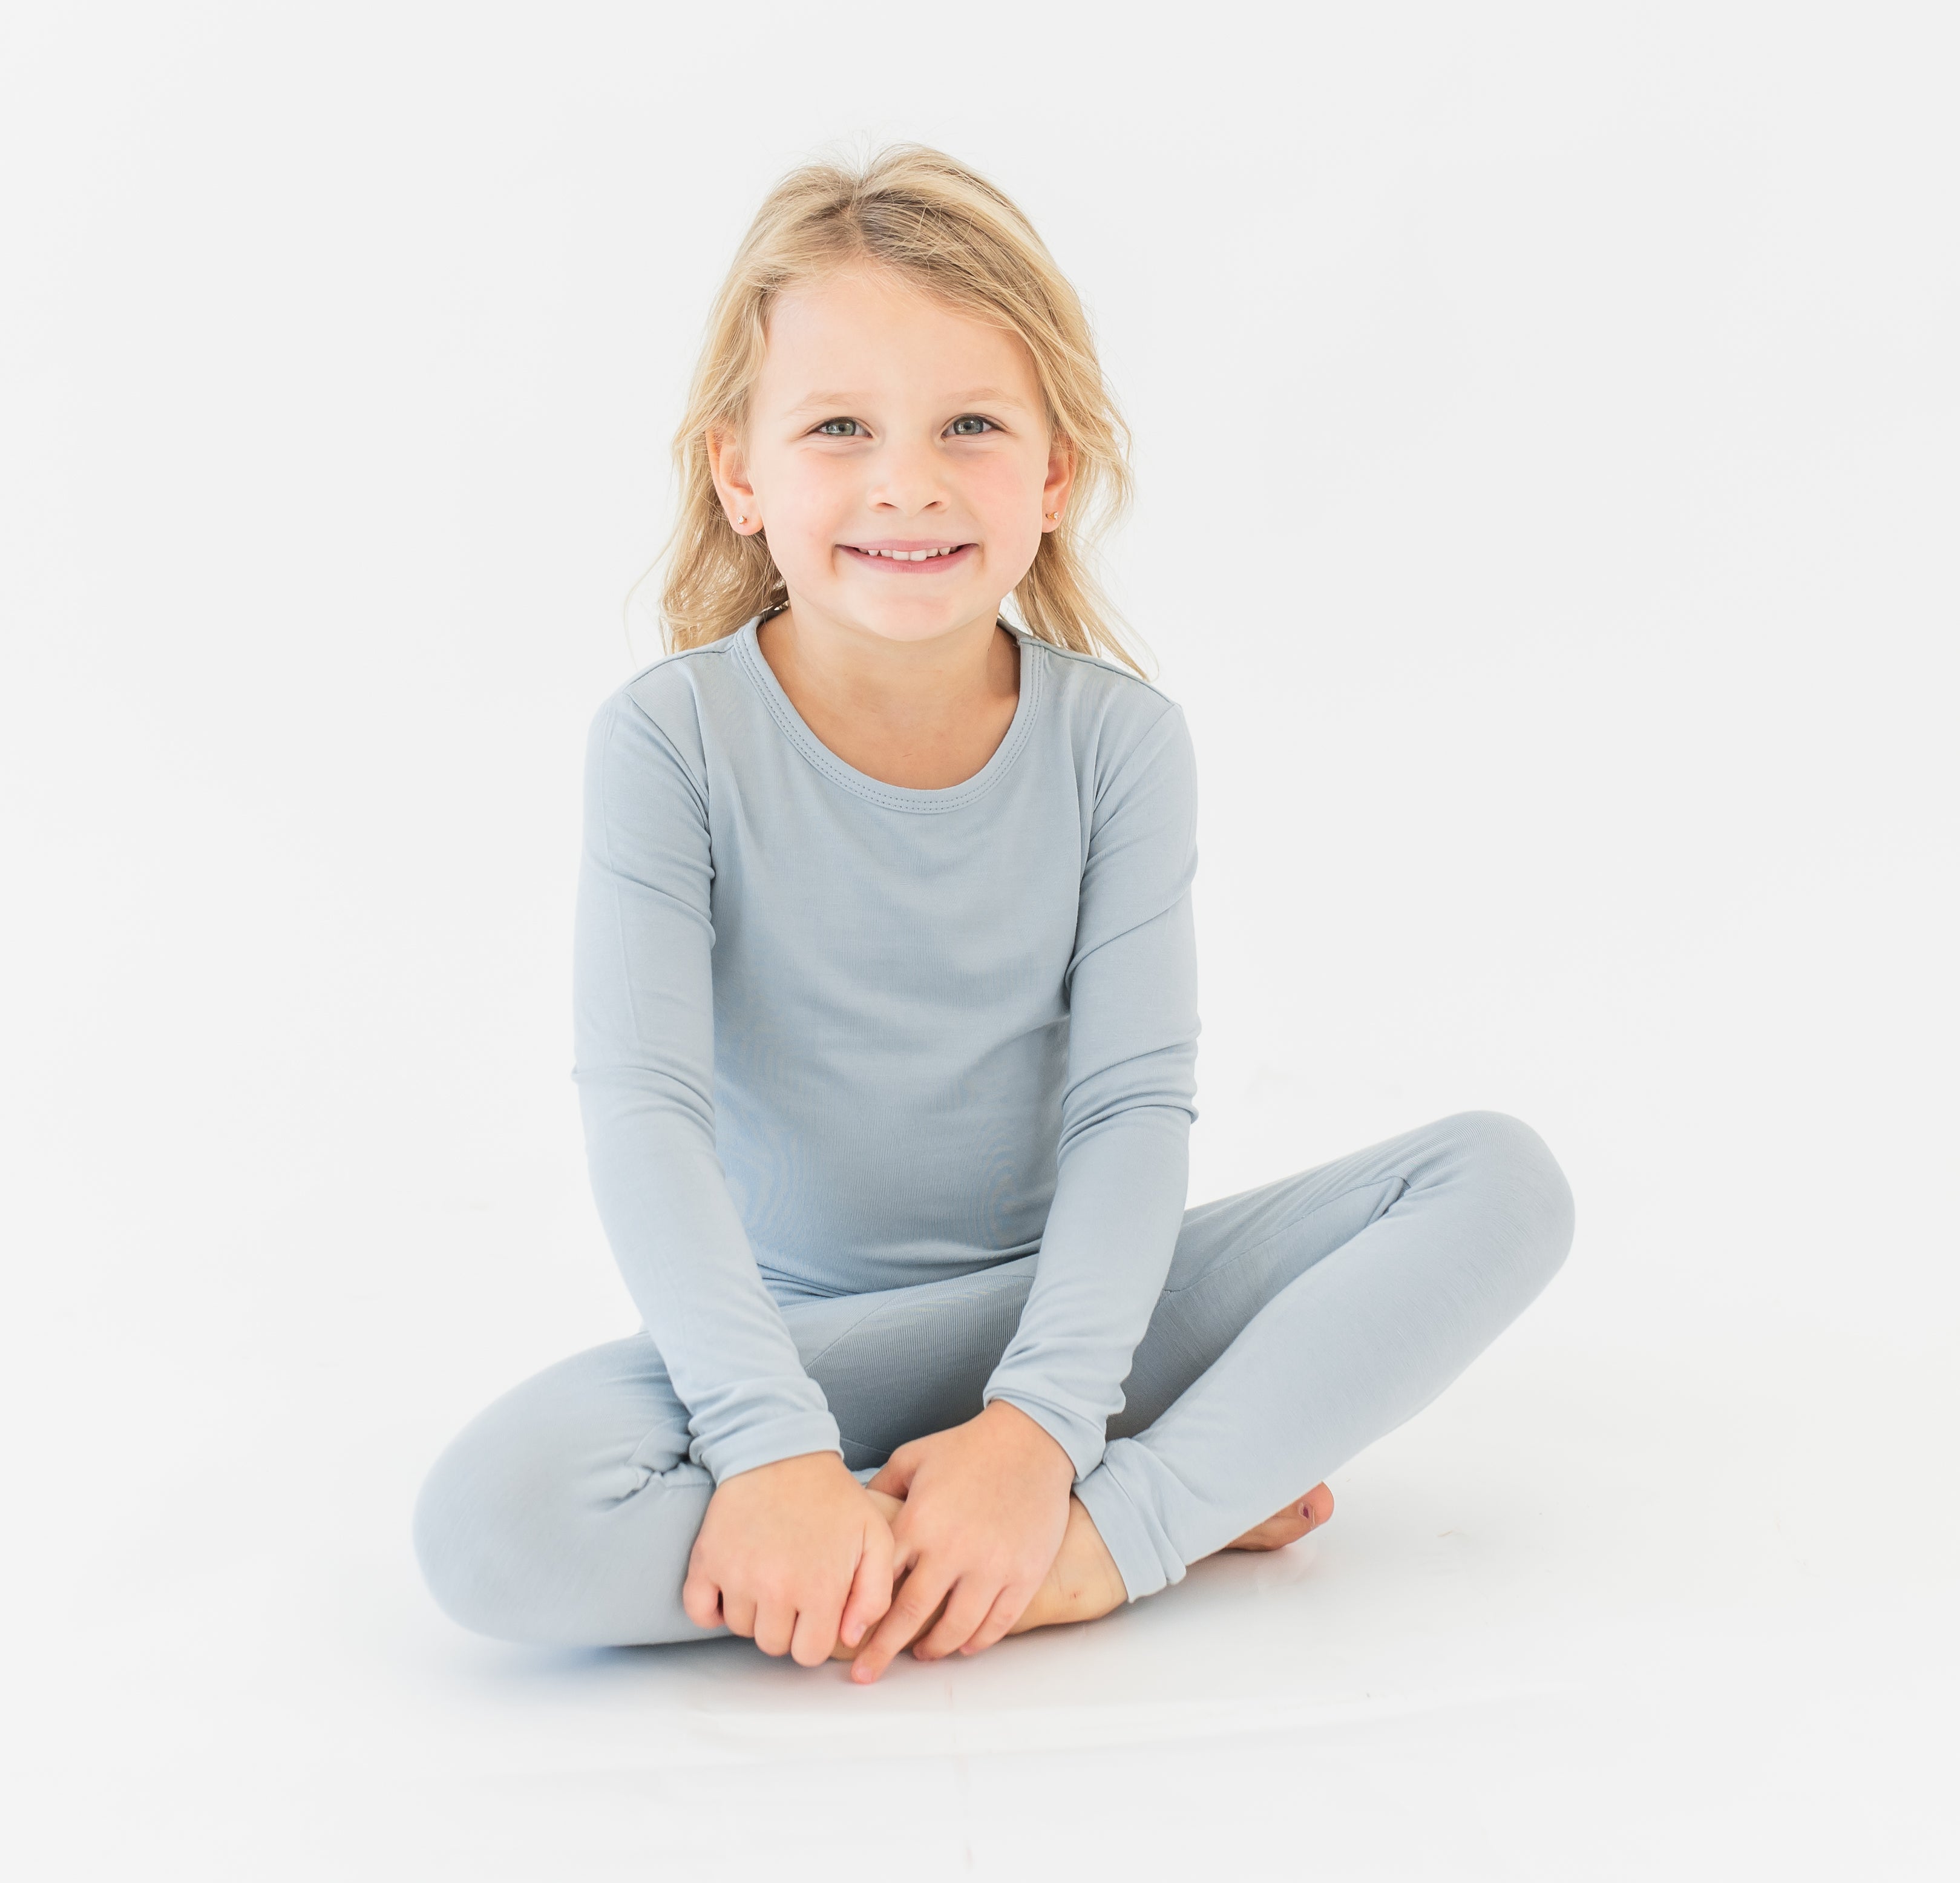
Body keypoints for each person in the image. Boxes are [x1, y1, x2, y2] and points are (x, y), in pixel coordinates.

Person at [411, 145, 1575, 1686]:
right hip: (808, 1359)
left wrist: (1038, 1424)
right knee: (490, 1526)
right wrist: (765, 1452)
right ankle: (1118, 1496)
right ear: (739, 475)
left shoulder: (1119, 746)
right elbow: (647, 1111)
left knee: (1500, 1183)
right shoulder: (669, 743)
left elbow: (1132, 1106)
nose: (907, 480)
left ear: (1053, 476)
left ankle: (1089, 1539)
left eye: (971, 424)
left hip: (1074, 1322)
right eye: (840, 428)